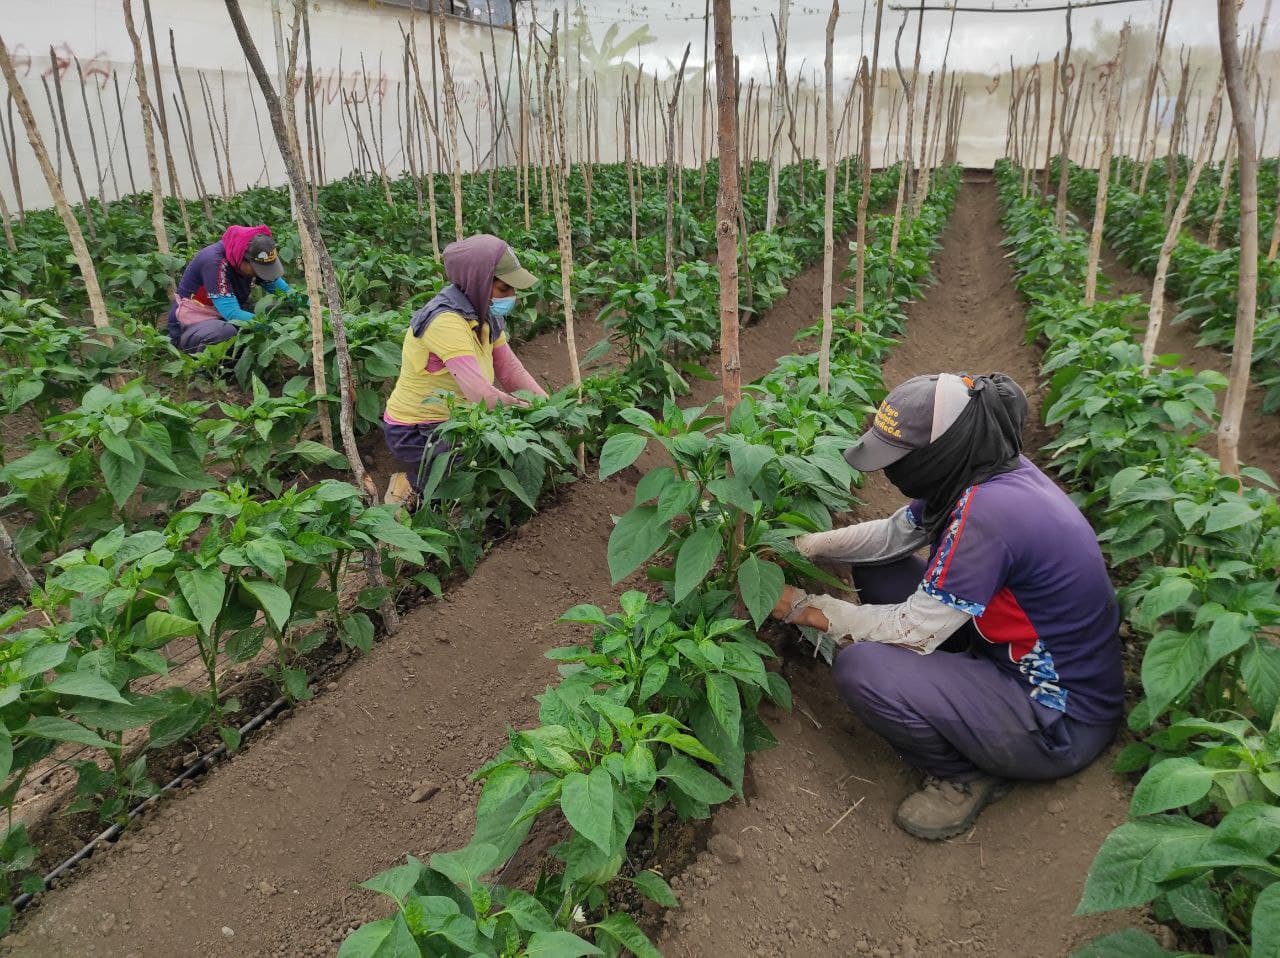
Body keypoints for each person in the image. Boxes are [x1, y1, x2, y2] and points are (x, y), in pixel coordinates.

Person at [771, 372, 1123, 840]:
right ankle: (955, 695)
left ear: (944, 451)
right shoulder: (985, 470)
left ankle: (966, 773)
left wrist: (801, 607)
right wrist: (801, 546)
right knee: (881, 567)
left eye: (902, 458)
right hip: (1005, 654)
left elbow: (913, 628)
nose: (895, 472)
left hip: (1057, 718)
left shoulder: (990, 516)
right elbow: (893, 536)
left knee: (864, 669)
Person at [382, 234, 548, 508]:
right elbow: (480, 394)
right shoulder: (446, 321)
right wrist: (528, 412)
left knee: (487, 461)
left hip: (456, 419)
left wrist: (549, 405)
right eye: (504, 289)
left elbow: (509, 369)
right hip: (417, 430)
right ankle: (409, 488)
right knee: (457, 482)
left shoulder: (485, 314)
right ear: (480, 283)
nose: (512, 297)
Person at [166, 225, 302, 354]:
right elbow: (231, 313)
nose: (261, 273)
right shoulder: (214, 261)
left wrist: (312, 308)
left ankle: (240, 354)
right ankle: (206, 373)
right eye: (258, 269)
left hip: (222, 314)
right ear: (242, 259)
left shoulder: (243, 256)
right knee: (224, 332)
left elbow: (284, 291)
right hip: (193, 325)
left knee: (279, 308)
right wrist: (274, 327)